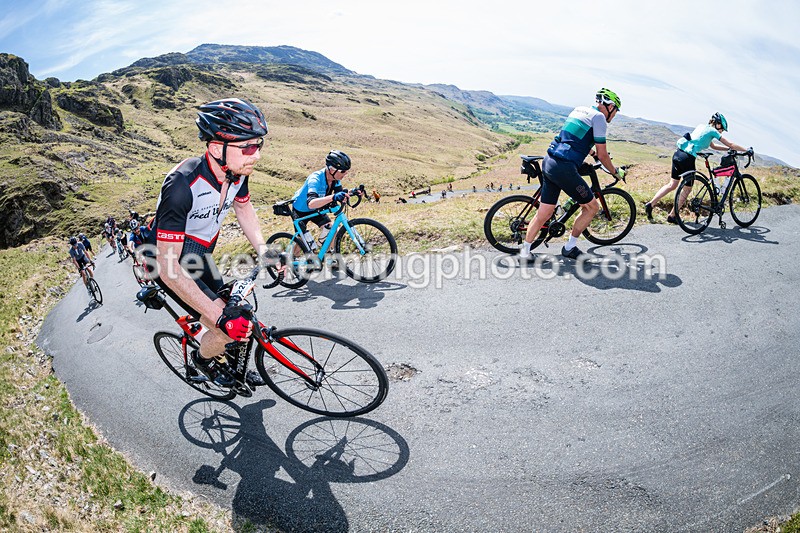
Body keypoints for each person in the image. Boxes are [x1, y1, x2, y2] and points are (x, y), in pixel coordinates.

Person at [143, 97, 272, 388]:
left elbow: (243, 208)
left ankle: (234, 366)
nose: (256, 155)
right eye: (247, 147)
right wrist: (219, 318)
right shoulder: (181, 185)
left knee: (238, 313)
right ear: (216, 148)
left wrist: (264, 250)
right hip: (168, 264)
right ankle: (202, 359)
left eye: (259, 145)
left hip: (200, 256)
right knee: (227, 326)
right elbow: (168, 267)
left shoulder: (236, 171)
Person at [519, 88, 626, 260]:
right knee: (591, 207)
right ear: (610, 106)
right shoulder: (599, 118)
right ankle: (569, 247)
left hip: (550, 161)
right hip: (564, 167)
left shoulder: (580, 110)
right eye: (615, 111)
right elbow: (603, 154)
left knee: (544, 213)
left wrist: (591, 153)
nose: (614, 115)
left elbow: (574, 138)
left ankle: (525, 252)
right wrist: (615, 172)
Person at [644, 112, 751, 223]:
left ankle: (650, 204)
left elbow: (713, 146)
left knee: (672, 185)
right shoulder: (713, 131)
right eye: (722, 129)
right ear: (718, 124)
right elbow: (731, 144)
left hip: (678, 154)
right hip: (687, 158)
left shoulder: (702, 127)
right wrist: (746, 150)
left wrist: (728, 149)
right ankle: (672, 216)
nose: (721, 131)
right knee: (687, 189)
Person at [291, 150, 361, 251]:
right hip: (301, 210)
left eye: (346, 171)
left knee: (332, 230)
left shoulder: (335, 180)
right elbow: (311, 204)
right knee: (302, 243)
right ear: (332, 170)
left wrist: (353, 192)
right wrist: (333, 197)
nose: (346, 173)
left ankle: (327, 256)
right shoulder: (315, 179)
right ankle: (290, 259)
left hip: (316, 209)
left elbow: (339, 194)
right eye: (343, 171)